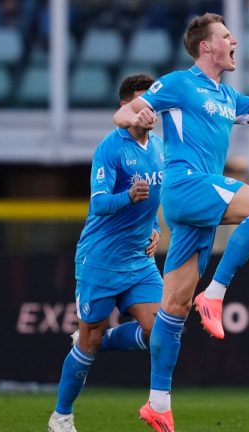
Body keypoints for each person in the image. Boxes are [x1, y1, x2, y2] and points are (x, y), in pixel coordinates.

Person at [113, 12, 249, 431]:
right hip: (187, 186)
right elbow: (124, 114)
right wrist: (138, 119)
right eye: (226, 36)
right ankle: (216, 293)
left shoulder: (228, 97)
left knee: (171, 313)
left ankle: (154, 400)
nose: (234, 42)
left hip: (200, 203)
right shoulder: (178, 83)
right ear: (206, 46)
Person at [47, 74, 165, 432]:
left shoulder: (160, 147)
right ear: (125, 108)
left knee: (162, 330)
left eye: (152, 105)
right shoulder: (110, 148)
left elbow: (156, 198)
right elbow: (98, 205)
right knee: (89, 340)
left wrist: (156, 229)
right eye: (141, 104)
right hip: (101, 259)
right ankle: (61, 416)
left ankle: (101, 339)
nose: (149, 111)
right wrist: (128, 197)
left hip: (139, 260)